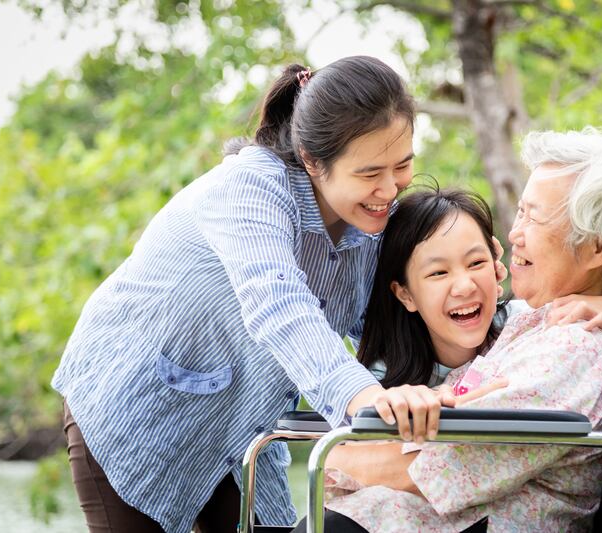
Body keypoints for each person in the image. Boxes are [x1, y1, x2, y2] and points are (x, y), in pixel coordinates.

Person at [51, 56, 460, 533]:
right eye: (369, 173)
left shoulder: (373, 223)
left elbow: (397, 321)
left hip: (240, 429)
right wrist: (363, 397)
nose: (389, 189)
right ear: (312, 159)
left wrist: (477, 291)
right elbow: (278, 305)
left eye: (403, 165)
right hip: (135, 411)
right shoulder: (249, 185)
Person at [295, 128, 602, 532]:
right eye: (521, 212)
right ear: (404, 293)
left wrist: (338, 457)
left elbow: (435, 469)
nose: (514, 234)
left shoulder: (575, 350)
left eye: (534, 216)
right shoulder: (531, 322)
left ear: (599, 247)